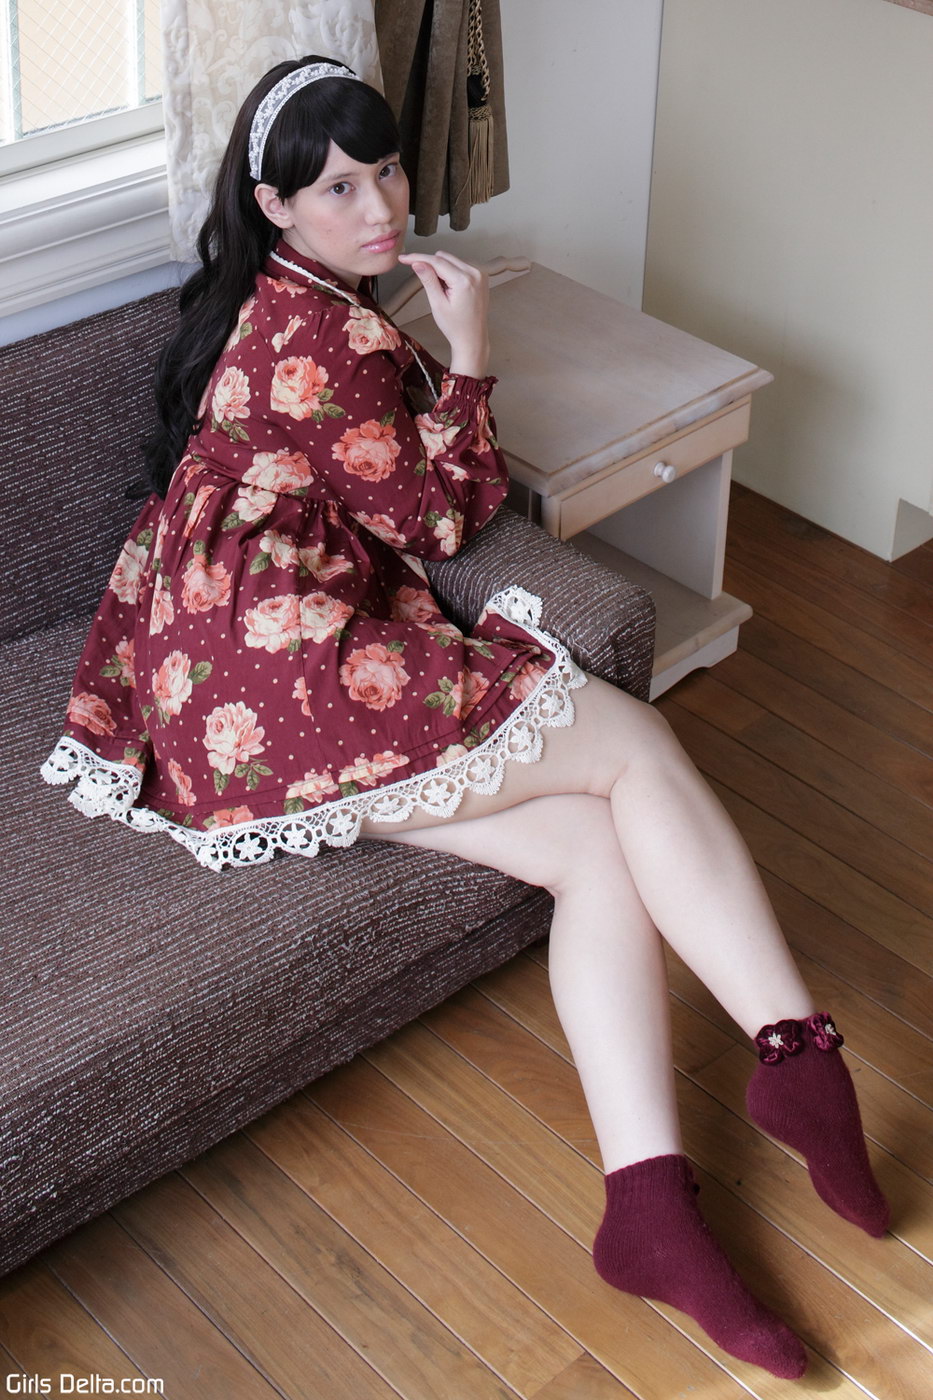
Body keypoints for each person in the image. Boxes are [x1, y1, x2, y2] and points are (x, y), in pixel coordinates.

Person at [41, 55, 889, 1380]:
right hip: (283, 675)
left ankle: (649, 1207)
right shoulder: (334, 341)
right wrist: (473, 353)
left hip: (222, 681)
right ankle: (796, 1051)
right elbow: (440, 524)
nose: (380, 205)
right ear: (275, 206)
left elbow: (381, 503)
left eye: (384, 171)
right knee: (638, 745)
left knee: (595, 850)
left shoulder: (273, 304)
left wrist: (434, 369)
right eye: (338, 187)